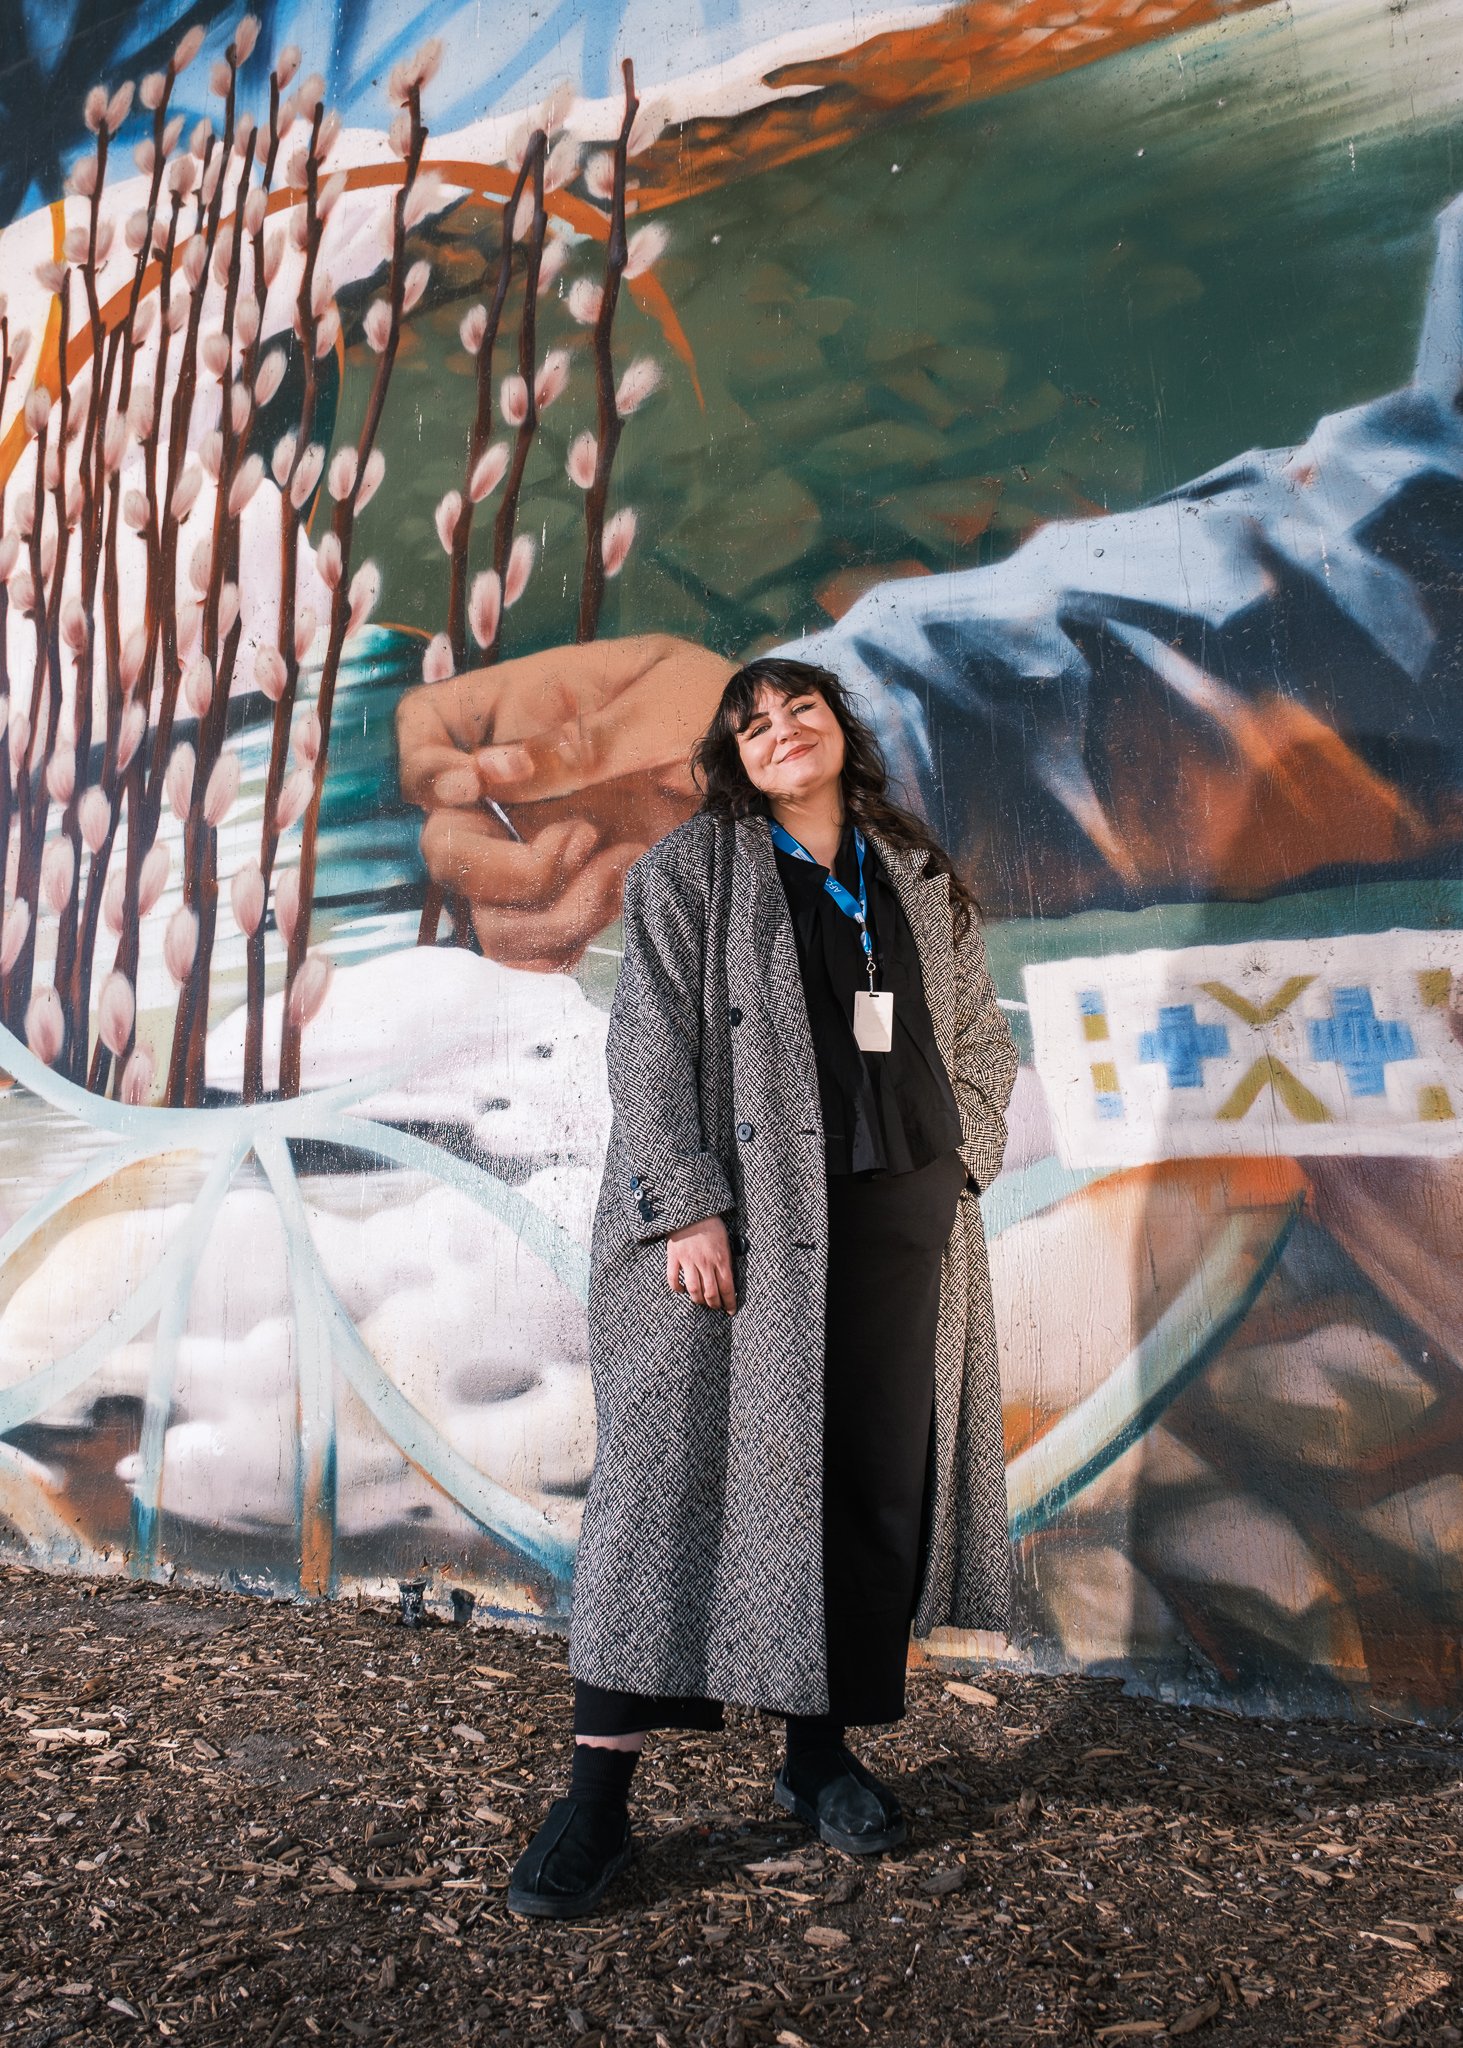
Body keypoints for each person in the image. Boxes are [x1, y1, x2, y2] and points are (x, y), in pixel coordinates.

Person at [504, 655, 1018, 1920]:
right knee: (665, 1489)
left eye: (800, 708)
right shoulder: (692, 871)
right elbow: (647, 1039)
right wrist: (682, 1203)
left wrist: (969, 1156)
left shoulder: (913, 873)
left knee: (857, 1489)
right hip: (746, 1228)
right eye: (752, 721)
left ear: (839, 726)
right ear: (732, 756)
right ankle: (597, 1805)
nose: (781, 730)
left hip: (899, 1219)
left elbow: (975, 1032)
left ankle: (816, 1755)